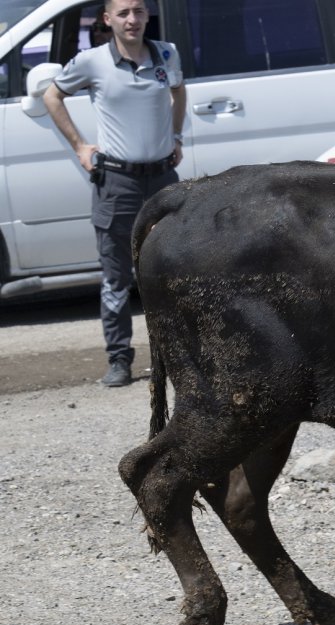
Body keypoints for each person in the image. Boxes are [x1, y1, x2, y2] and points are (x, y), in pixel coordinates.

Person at [43, 0, 185, 386]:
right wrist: (80, 146)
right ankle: (119, 359)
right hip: (118, 183)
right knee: (117, 276)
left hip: (161, 180)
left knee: (172, 270)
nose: (132, 20)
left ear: (147, 16)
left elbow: (178, 91)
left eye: (138, 11)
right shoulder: (91, 61)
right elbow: (51, 97)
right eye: (122, 13)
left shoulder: (166, 53)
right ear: (107, 19)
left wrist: (176, 135)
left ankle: (177, 358)